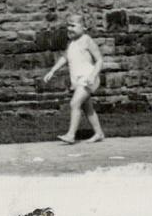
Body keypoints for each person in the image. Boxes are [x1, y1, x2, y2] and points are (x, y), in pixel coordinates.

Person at [43, 13, 106, 144]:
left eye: (73, 26)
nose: (70, 29)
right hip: (78, 80)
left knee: (74, 103)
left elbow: (99, 60)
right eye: (68, 26)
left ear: (84, 27)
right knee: (87, 108)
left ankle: (71, 135)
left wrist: (93, 75)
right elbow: (64, 58)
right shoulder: (71, 43)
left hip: (88, 77)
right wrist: (52, 70)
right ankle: (99, 133)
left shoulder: (86, 39)